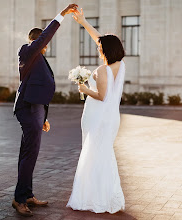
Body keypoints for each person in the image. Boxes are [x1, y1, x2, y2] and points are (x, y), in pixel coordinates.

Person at [12, 3, 78, 217]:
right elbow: (45, 36)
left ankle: (27, 194)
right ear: (38, 41)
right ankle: (19, 199)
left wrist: (44, 117)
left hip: (35, 109)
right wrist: (62, 15)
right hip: (28, 109)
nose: (46, 45)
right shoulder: (28, 51)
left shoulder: (38, 59)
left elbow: (39, 88)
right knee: (30, 154)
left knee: (28, 153)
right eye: (43, 41)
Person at [66, 8, 126, 214]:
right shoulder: (121, 65)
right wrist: (83, 22)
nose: (98, 49)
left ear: (106, 50)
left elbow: (101, 96)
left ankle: (93, 198)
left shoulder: (102, 70)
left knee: (93, 155)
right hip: (111, 119)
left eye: (101, 48)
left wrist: (84, 89)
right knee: (104, 154)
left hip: (98, 117)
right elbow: (101, 38)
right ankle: (107, 197)